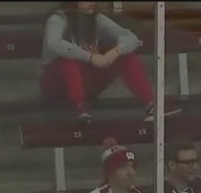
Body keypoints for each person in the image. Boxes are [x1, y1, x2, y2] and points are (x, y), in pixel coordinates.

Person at [40, 1, 180, 124]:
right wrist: (91, 58)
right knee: (67, 59)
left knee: (126, 56)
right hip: (56, 84)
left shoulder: (96, 18)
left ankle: (150, 105)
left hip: (84, 82)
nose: (92, 2)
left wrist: (114, 52)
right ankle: (79, 106)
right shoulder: (58, 18)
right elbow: (54, 43)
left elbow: (131, 38)